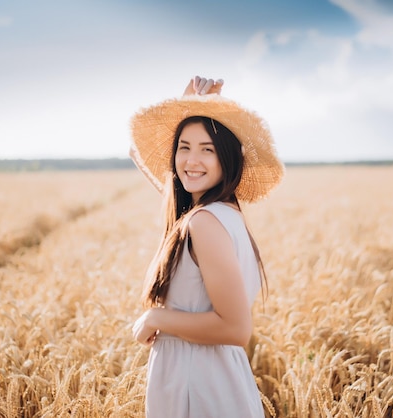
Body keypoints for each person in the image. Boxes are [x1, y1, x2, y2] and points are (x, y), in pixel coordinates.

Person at [130, 76, 284, 417]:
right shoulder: (218, 216)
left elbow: (236, 328)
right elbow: (165, 180)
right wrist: (186, 107)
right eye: (184, 147)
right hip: (211, 381)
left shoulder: (203, 223)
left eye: (207, 150)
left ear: (227, 159)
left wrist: (157, 316)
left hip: (197, 390)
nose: (192, 160)